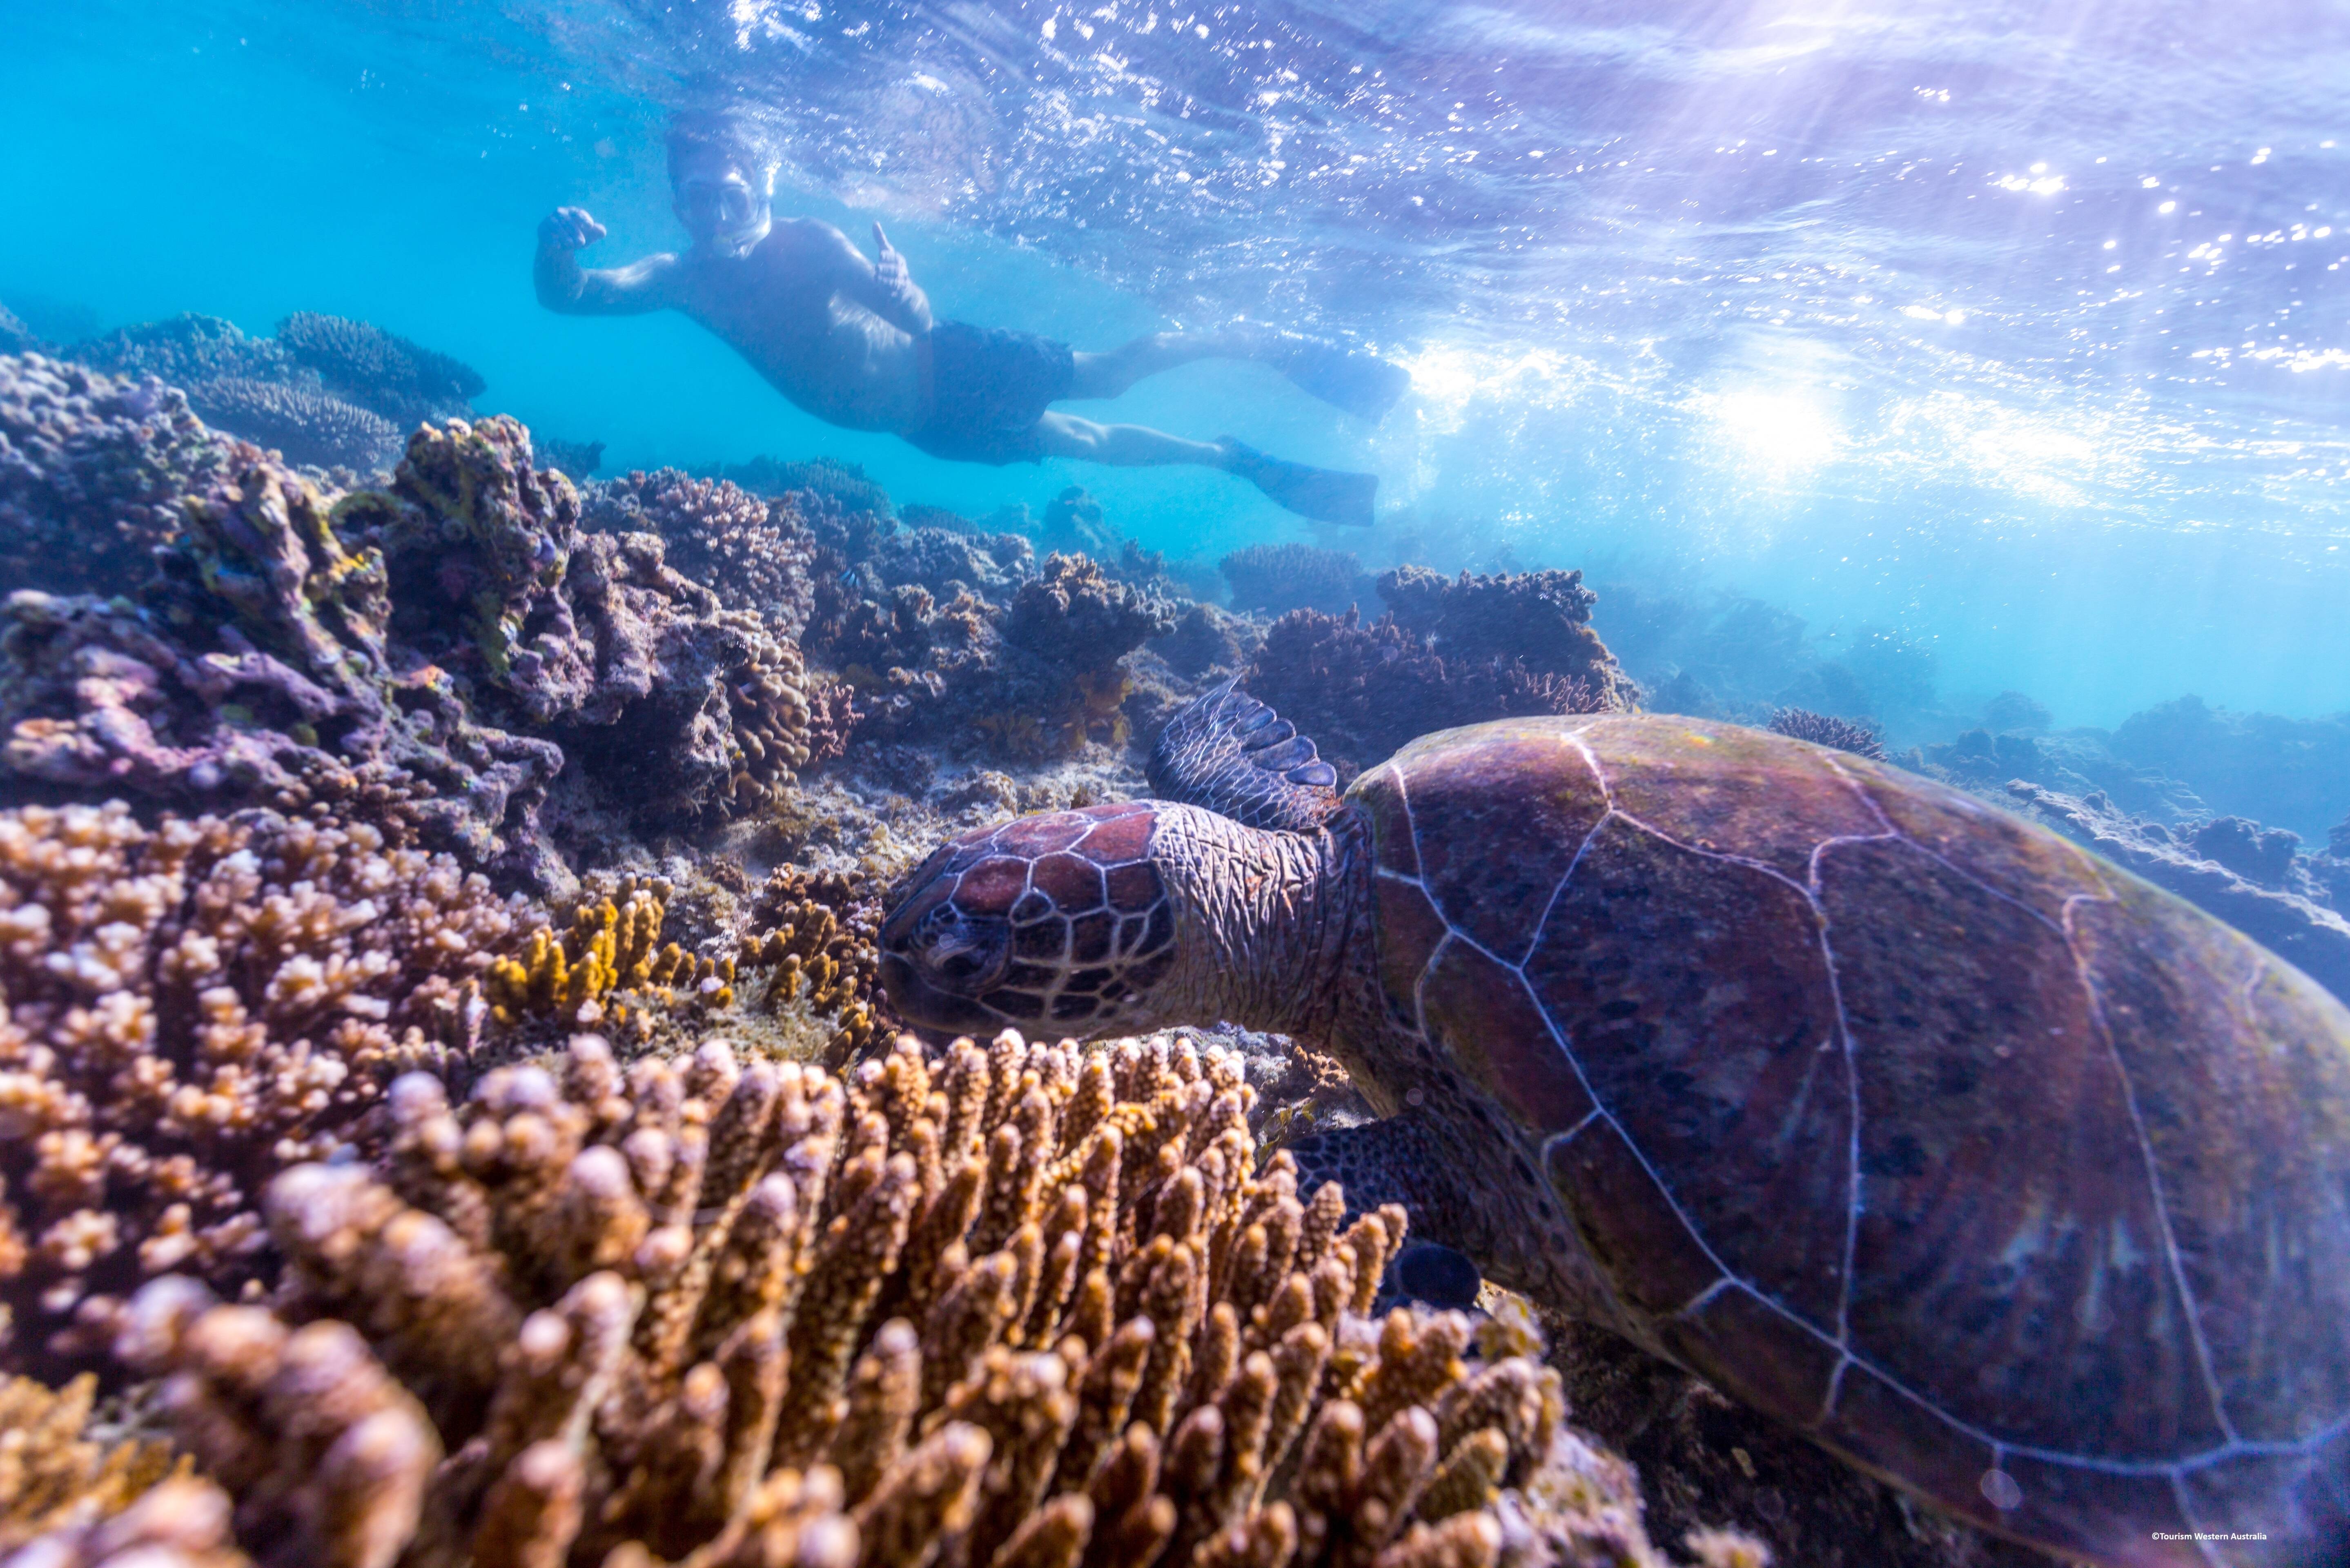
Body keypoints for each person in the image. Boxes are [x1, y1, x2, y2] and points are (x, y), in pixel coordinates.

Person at [535, 110, 1407, 526]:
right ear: (678, 203)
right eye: (698, 202)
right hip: (925, 428)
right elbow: (570, 299)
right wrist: (555, 250)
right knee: (1085, 445)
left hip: (953, 366)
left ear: (761, 189)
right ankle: (1236, 460)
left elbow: (914, 320)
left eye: (731, 198)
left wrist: (903, 287)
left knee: (1104, 376)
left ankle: (1260, 343)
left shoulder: (813, 244)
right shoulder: (677, 276)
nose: (716, 218)